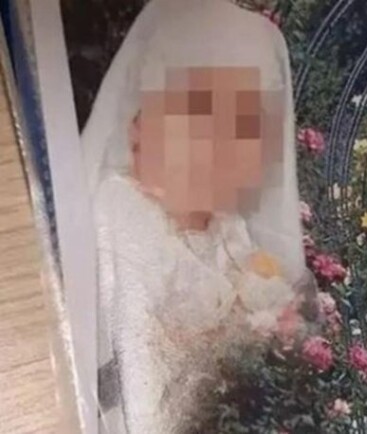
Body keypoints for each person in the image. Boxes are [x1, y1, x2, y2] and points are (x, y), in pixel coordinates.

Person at [81, 1, 310, 432]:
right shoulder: (124, 210)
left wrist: (267, 323)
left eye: (243, 127)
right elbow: (132, 354)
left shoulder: (226, 223)